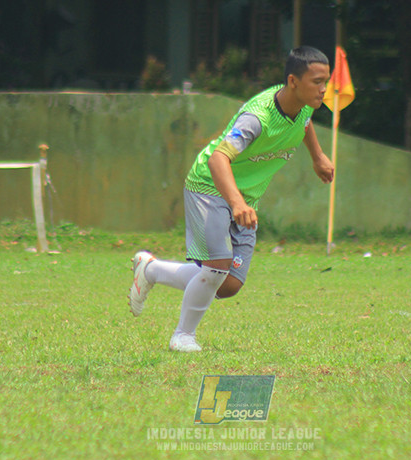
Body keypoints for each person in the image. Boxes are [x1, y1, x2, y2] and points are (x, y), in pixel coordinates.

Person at [129, 46, 335, 352]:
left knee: (228, 284)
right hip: (209, 187)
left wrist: (317, 156)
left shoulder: (304, 105)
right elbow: (217, 160)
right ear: (293, 81)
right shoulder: (257, 118)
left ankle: (151, 270)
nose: (324, 89)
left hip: (245, 198)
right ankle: (183, 336)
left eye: (326, 81)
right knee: (217, 267)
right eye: (317, 81)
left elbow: (303, 122)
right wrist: (237, 203)